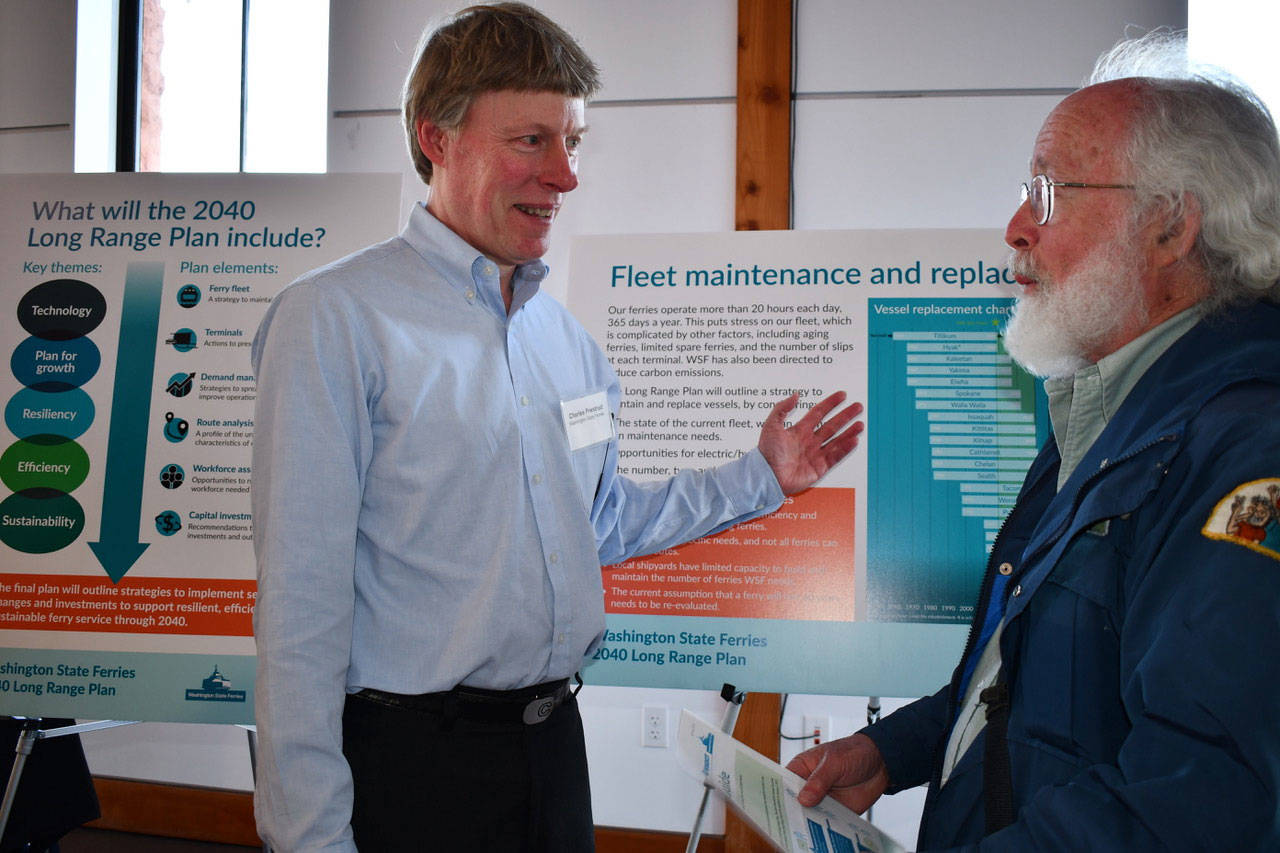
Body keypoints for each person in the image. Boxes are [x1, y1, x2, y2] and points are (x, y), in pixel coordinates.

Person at [249, 4, 863, 851]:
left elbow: (597, 525)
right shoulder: (333, 320)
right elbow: (299, 609)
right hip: (412, 768)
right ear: (437, 137)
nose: (566, 175)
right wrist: (308, 838)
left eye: (571, 141)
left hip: (551, 752)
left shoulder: (563, 340)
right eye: (531, 141)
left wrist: (759, 476)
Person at [788, 30, 1280, 850]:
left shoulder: (1245, 449)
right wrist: (891, 749)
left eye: (1050, 193)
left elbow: (1205, 791)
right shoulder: (1103, 415)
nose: (1016, 225)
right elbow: (1024, 676)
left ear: (1170, 225)